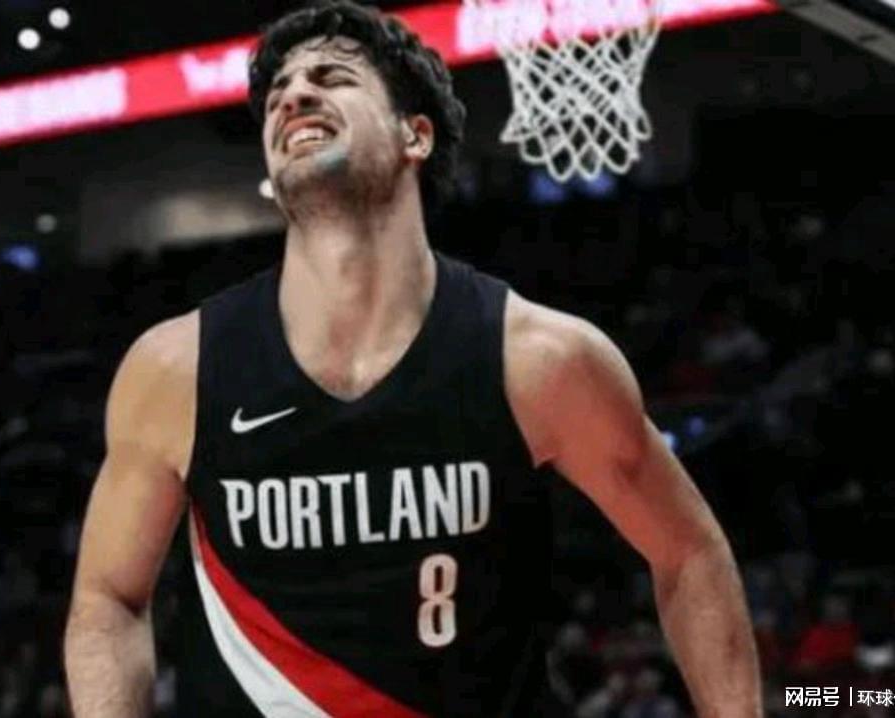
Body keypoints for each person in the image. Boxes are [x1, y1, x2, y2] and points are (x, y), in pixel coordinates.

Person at [63, 2, 761, 716]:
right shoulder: (176, 369)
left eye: (332, 78)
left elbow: (689, 554)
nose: (294, 95)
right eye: (278, 94)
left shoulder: (539, 359)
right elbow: (108, 598)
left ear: (414, 134)